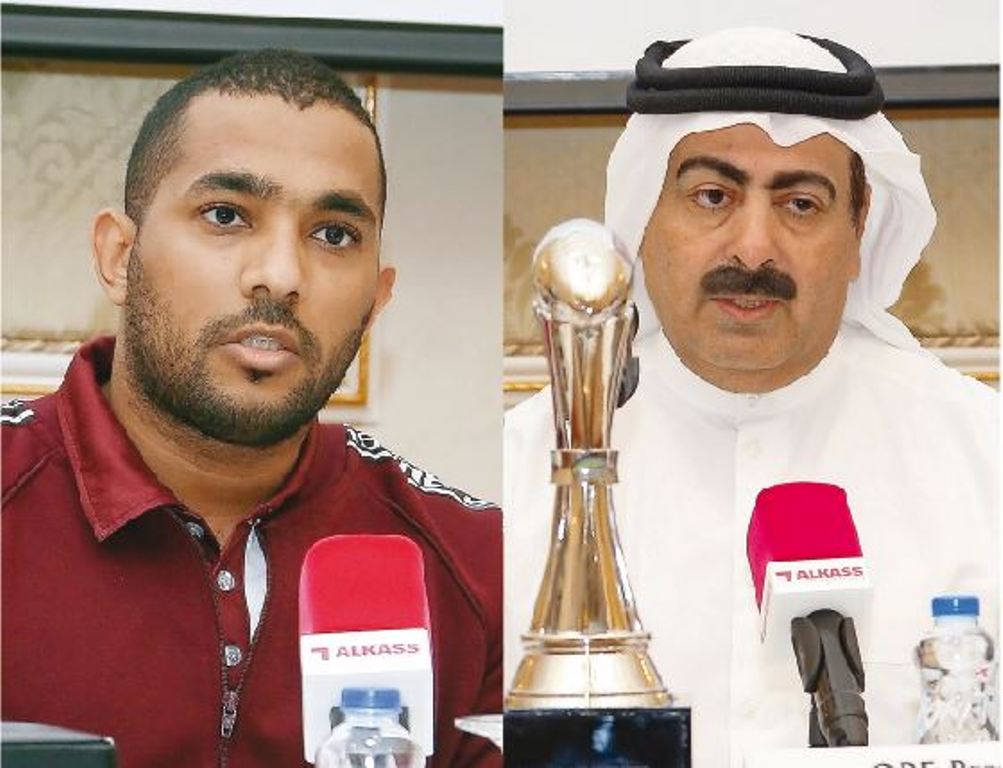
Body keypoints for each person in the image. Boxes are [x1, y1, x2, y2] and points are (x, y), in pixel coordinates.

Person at [504, 27, 997, 767]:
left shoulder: (980, 452)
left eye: (800, 204)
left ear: (858, 228)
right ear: (646, 216)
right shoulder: (519, 469)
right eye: (711, 196)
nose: (753, 247)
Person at [2, 50, 501, 768]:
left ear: (375, 299)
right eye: (226, 215)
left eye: (332, 234)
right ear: (119, 256)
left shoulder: (478, 565)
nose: (281, 275)